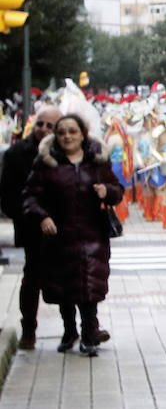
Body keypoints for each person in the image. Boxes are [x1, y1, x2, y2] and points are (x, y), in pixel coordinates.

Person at [22, 115, 124, 355]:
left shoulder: (97, 161)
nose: (67, 136)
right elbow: (30, 196)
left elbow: (118, 190)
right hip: (59, 235)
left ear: (82, 134)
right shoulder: (46, 163)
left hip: (92, 235)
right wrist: (43, 217)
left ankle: (89, 335)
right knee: (63, 287)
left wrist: (106, 191)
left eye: (72, 131)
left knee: (89, 287)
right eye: (62, 132)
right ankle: (70, 331)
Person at [1, 106, 61, 349]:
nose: (43, 129)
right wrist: (28, 217)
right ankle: (28, 330)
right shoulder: (17, 153)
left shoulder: (66, 149)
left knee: (66, 276)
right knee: (32, 277)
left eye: (50, 125)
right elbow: (6, 195)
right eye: (40, 124)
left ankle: (73, 330)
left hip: (62, 227)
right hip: (31, 226)